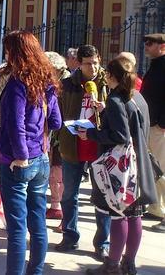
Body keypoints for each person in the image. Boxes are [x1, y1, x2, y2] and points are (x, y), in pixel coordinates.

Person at [79, 57, 157, 275]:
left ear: (111, 76)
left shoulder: (115, 99)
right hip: (138, 163)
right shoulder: (137, 96)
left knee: (118, 214)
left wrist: (91, 133)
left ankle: (112, 265)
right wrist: (105, 110)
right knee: (135, 215)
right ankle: (129, 264)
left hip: (121, 168)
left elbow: (120, 135)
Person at [0, 31, 62, 275]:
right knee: (38, 223)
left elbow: (15, 124)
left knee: (16, 228)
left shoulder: (17, 84)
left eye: (8, 50)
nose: (5, 55)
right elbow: (56, 122)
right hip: (41, 158)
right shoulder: (47, 81)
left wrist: (21, 156)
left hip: (18, 161)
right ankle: (36, 271)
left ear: (16, 53)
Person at [55, 45, 111, 261]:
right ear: (79, 63)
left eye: (96, 62)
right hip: (73, 145)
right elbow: (58, 110)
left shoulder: (106, 82)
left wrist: (103, 109)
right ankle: (70, 236)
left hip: (99, 146)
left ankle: (102, 243)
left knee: (101, 197)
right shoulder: (68, 84)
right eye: (88, 63)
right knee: (69, 195)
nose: (94, 67)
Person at [141, 33, 165, 233]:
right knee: (154, 169)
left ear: (162, 46)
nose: (146, 46)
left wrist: (162, 124)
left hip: (159, 126)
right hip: (151, 123)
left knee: (163, 169)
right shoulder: (156, 65)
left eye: (150, 43)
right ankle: (156, 208)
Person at [44, 51, 71, 222]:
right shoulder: (52, 82)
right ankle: (55, 206)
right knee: (53, 171)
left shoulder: (66, 84)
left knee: (60, 172)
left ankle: (60, 208)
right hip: (53, 134)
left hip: (64, 134)